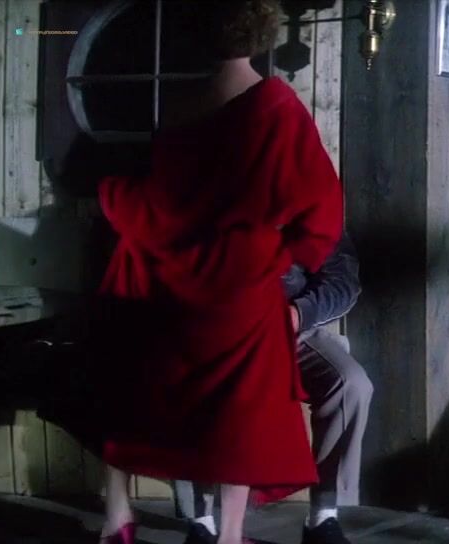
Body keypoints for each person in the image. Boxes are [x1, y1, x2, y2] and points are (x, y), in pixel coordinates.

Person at [93, 2, 342, 543]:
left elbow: (162, 199)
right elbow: (321, 207)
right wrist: (285, 253)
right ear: (263, 35)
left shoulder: (179, 106)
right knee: (241, 416)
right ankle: (228, 535)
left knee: (142, 391)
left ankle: (117, 517)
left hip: (174, 278)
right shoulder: (277, 104)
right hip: (242, 283)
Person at [175, 234, 370, 544]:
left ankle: (323, 516)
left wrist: (297, 313)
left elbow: (342, 280)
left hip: (290, 326)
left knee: (351, 384)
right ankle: (201, 521)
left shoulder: (309, 209)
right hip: (218, 326)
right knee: (198, 384)